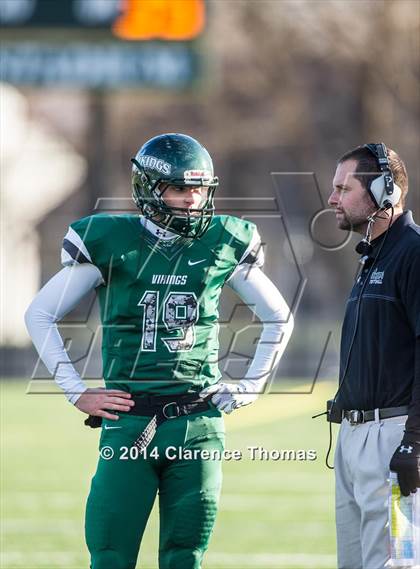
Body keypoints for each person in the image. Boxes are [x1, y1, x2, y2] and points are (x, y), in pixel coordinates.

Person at [25, 133, 294, 569]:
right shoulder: (111, 239)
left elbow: (279, 316)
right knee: (110, 554)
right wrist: (75, 390)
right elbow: (39, 315)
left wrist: (251, 384)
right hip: (129, 420)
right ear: (149, 189)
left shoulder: (223, 240)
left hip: (197, 422)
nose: (192, 199)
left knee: (185, 556)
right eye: (180, 188)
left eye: (200, 188)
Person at [327, 142, 420, 569]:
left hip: (394, 436)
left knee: (391, 565)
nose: (332, 199)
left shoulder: (414, 253)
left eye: (343, 188)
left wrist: (415, 441)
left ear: (386, 191)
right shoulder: (373, 256)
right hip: (355, 438)